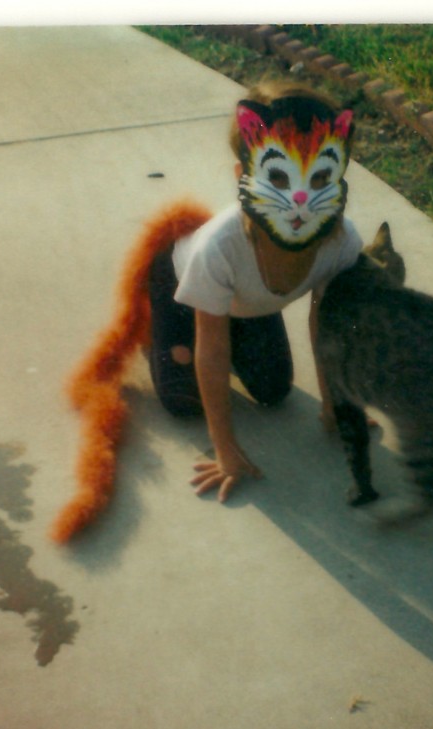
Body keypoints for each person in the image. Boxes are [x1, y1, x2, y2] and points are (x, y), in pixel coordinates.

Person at [147, 80, 363, 503]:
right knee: (183, 400)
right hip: (180, 292)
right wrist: (225, 450)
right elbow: (212, 348)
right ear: (241, 175)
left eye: (321, 176)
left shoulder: (340, 241)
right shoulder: (219, 248)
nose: (300, 198)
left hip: (249, 304)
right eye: (278, 176)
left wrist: (333, 403)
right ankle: (156, 336)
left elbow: (327, 325)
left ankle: (239, 331)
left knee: (273, 390)